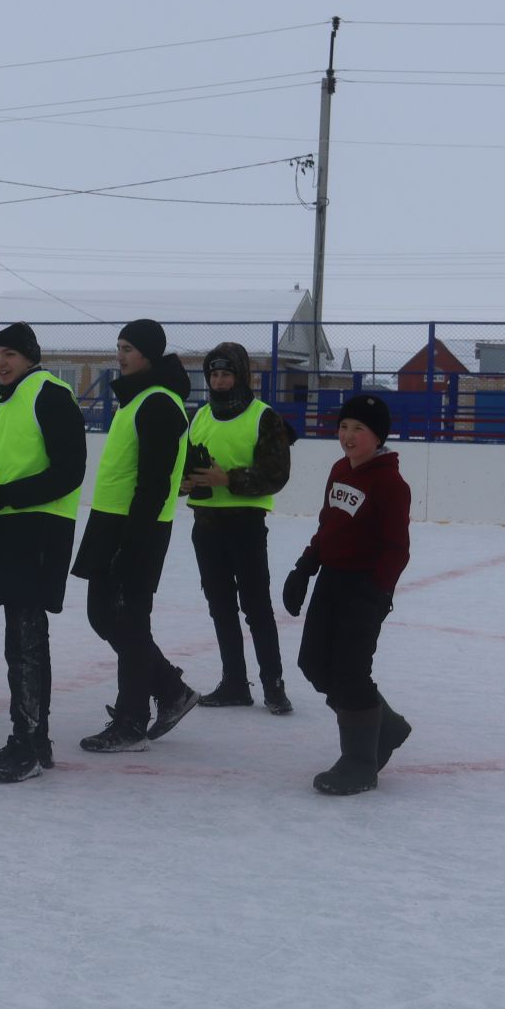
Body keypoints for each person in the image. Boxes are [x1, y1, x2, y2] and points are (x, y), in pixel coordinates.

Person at [0, 323, 86, 783]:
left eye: (10, 354)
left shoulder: (51, 393)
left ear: (30, 356)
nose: (1, 363)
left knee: (27, 641)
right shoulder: (0, 404)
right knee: (17, 639)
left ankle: (27, 744)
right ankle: (31, 736)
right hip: (10, 525)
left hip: (42, 528)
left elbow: (69, 473)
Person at [71, 320, 202, 752]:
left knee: (129, 619)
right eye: (119, 347)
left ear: (149, 353)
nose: (120, 355)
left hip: (136, 527)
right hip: (110, 522)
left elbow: (155, 482)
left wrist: (134, 541)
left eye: (128, 348)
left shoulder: (159, 404)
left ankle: (132, 721)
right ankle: (169, 690)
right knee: (104, 616)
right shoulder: (139, 399)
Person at [281, 392, 413, 795]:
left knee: (351, 672)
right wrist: (304, 568)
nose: (349, 436)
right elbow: (328, 526)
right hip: (330, 581)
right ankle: (384, 726)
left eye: (359, 429)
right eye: (344, 427)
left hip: (365, 587)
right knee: (314, 664)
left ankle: (359, 763)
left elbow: (397, 548)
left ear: (378, 436)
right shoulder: (340, 470)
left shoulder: (391, 483)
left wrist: (378, 592)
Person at [181, 341, 296, 715]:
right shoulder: (199, 416)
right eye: (213, 374)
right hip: (207, 525)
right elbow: (186, 462)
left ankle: (273, 685)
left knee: (256, 607)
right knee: (220, 606)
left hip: (245, 525)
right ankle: (234, 682)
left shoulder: (264, 417)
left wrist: (226, 478)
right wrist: (184, 481)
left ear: (241, 376)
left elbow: (276, 475)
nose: (219, 381)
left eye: (226, 374)